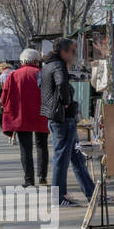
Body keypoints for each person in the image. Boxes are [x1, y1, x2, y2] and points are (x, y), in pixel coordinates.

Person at [41, 39, 95, 206]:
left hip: (58, 118)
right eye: (72, 51)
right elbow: (62, 83)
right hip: (62, 118)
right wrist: (66, 101)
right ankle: (59, 197)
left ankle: (92, 193)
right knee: (61, 159)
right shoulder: (58, 66)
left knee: (76, 157)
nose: (73, 55)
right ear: (64, 52)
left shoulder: (48, 65)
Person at [2, 49, 50, 187]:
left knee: (25, 148)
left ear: (22, 61)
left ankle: (29, 180)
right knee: (42, 145)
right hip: (42, 115)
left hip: (21, 116)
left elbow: (4, 97)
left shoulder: (13, 75)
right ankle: (42, 176)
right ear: (36, 60)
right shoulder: (43, 74)